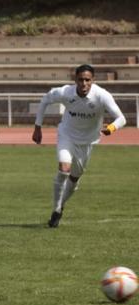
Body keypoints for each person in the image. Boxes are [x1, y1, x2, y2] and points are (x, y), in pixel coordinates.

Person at [32, 64, 126, 228]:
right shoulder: (65, 92)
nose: (84, 84)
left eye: (87, 80)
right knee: (63, 169)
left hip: (88, 142)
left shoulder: (102, 96)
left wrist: (111, 128)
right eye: (81, 80)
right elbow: (45, 99)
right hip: (66, 136)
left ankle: (60, 207)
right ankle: (55, 210)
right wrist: (37, 127)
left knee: (74, 179)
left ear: (93, 80)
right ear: (75, 80)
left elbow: (121, 118)